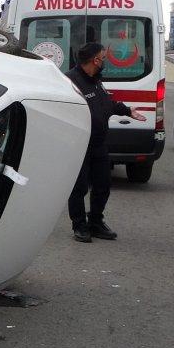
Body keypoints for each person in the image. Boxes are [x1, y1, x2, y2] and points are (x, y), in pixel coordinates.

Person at [67, 42, 148, 242]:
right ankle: (79, 225)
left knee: (103, 185)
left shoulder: (96, 80)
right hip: (79, 144)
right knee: (79, 188)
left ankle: (95, 221)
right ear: (95, 60)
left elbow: (105, 103)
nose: (104, 61)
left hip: (98, 144)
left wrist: (127, 110)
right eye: (103, 58)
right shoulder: (70, 81)